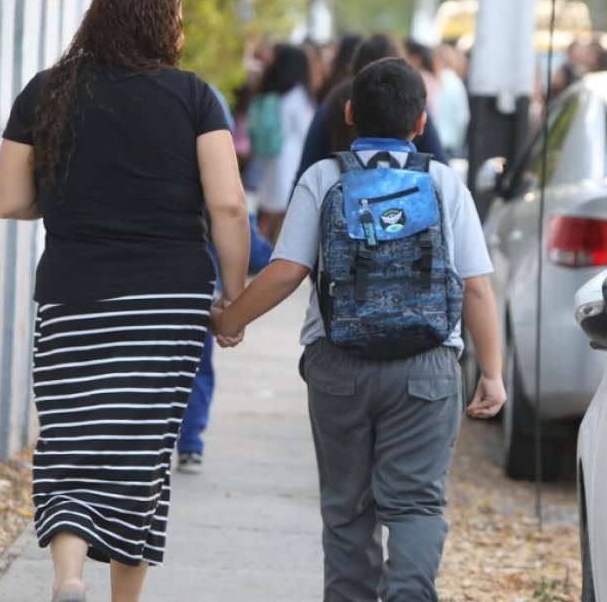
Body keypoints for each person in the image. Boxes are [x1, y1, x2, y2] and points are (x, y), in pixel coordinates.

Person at [0, 0, 250, 602]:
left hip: (73, 294)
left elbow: (8, 200)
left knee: (72, 437)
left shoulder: (45, 92)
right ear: (166, 23)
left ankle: (68, 575)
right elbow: (230, 208)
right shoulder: (194, 97)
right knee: (139, 451)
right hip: (166, 301)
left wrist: (70, 202)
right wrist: (235, 299)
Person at [210, 58, 508, 601]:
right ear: (420, 123)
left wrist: (228, 320)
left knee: (347, 510)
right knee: (416, 504)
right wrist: (492, 373)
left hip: (339, 368)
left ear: (348, 114)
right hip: (426, 368)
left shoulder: (323, 179)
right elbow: (477, 287)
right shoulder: (443, 184)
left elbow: (286, 272)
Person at [174, 83, 275, 474]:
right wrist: (236, 307)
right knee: (197, 370)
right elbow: (245, 231)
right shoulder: (218, 181)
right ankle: (191, 442)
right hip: (200, 293)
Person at [294, 34, 450, 185]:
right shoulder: (413, 102)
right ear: (420, 123)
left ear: (349, 113)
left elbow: (306, 167)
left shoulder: (334, 101)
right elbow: (439, 160)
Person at [251, 43, 315, 243]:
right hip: (291, 161)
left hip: (272, 159)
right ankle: (269, 257)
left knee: (269, 213)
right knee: (284, 215)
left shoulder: (274, 93)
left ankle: (258, 252)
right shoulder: (298, 95)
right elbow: (307, 132)